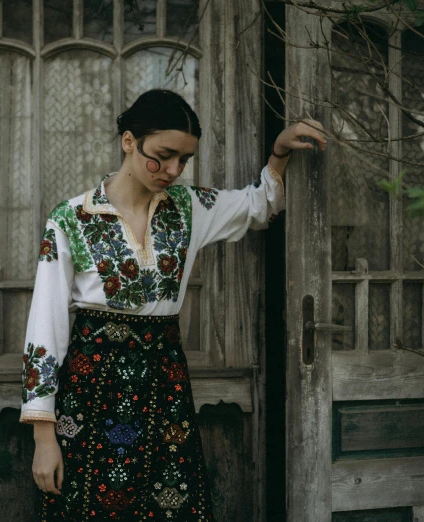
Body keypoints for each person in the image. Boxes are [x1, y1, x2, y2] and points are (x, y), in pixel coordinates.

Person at [19, 88, 327, 521]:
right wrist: (44, 438)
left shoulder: (189, 208)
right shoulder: (71, 218)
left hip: (164, 388)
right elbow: (45, 330)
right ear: (129, 141)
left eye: (183, 160)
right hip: (90, 395)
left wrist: (278, 152)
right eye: (162, 155)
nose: (173, 170)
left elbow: (261, 206)